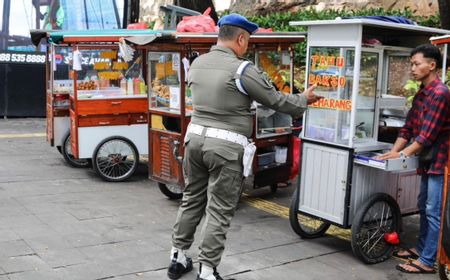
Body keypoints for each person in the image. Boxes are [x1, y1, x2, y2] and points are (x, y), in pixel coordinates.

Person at [167, 14, 323, 280]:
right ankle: (206, 270)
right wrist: (304, 99)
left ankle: (177, 257)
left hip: (193, 140)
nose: (247, 46)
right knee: (219, 207)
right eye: (247, 41)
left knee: (192, 198)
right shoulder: (242, 69)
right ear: (241, 38)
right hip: (225, 146)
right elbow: (277, 101)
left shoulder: (197, 63)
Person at [376, 44, 450, 274]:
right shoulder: (422, 92)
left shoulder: (440, 94)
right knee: (424, 206)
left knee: (433, 210)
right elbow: (408, 129)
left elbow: (426, 136)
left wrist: (403, 154)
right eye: (411, 64)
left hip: (441, 162)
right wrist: (393, 152)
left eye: (416, 64)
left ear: (432, 65)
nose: (412, 68)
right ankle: (421, 249)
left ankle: (428, 261)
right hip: (427, 161)